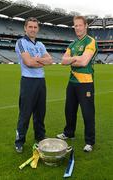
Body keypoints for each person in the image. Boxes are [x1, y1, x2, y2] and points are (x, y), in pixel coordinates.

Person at [57, 16, 98, 152]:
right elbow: (63, 61)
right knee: (69, 110)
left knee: (87, 113)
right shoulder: (72, 44)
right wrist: (76, 58)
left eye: (80, 25)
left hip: (85, 83)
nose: (77, 28)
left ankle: (90, 141)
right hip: (72, 81)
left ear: (85, 26)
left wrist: (72, 59)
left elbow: (84, 62)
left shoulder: (90, 41)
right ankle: (69, 132)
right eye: (75, 26)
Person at [15, 17, 53, 153]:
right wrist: (40, 61)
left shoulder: (40, 44)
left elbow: (50, 60)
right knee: (25, 113)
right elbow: (28, 63)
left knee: (40, 112)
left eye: (35, 27)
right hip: (28, 81)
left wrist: (37, 60)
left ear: (38, 29)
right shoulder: (21, 42)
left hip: (40, 81)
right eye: (30, 27)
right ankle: (19, 141)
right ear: (25, 28)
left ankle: (40, 136)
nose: (33, 29)